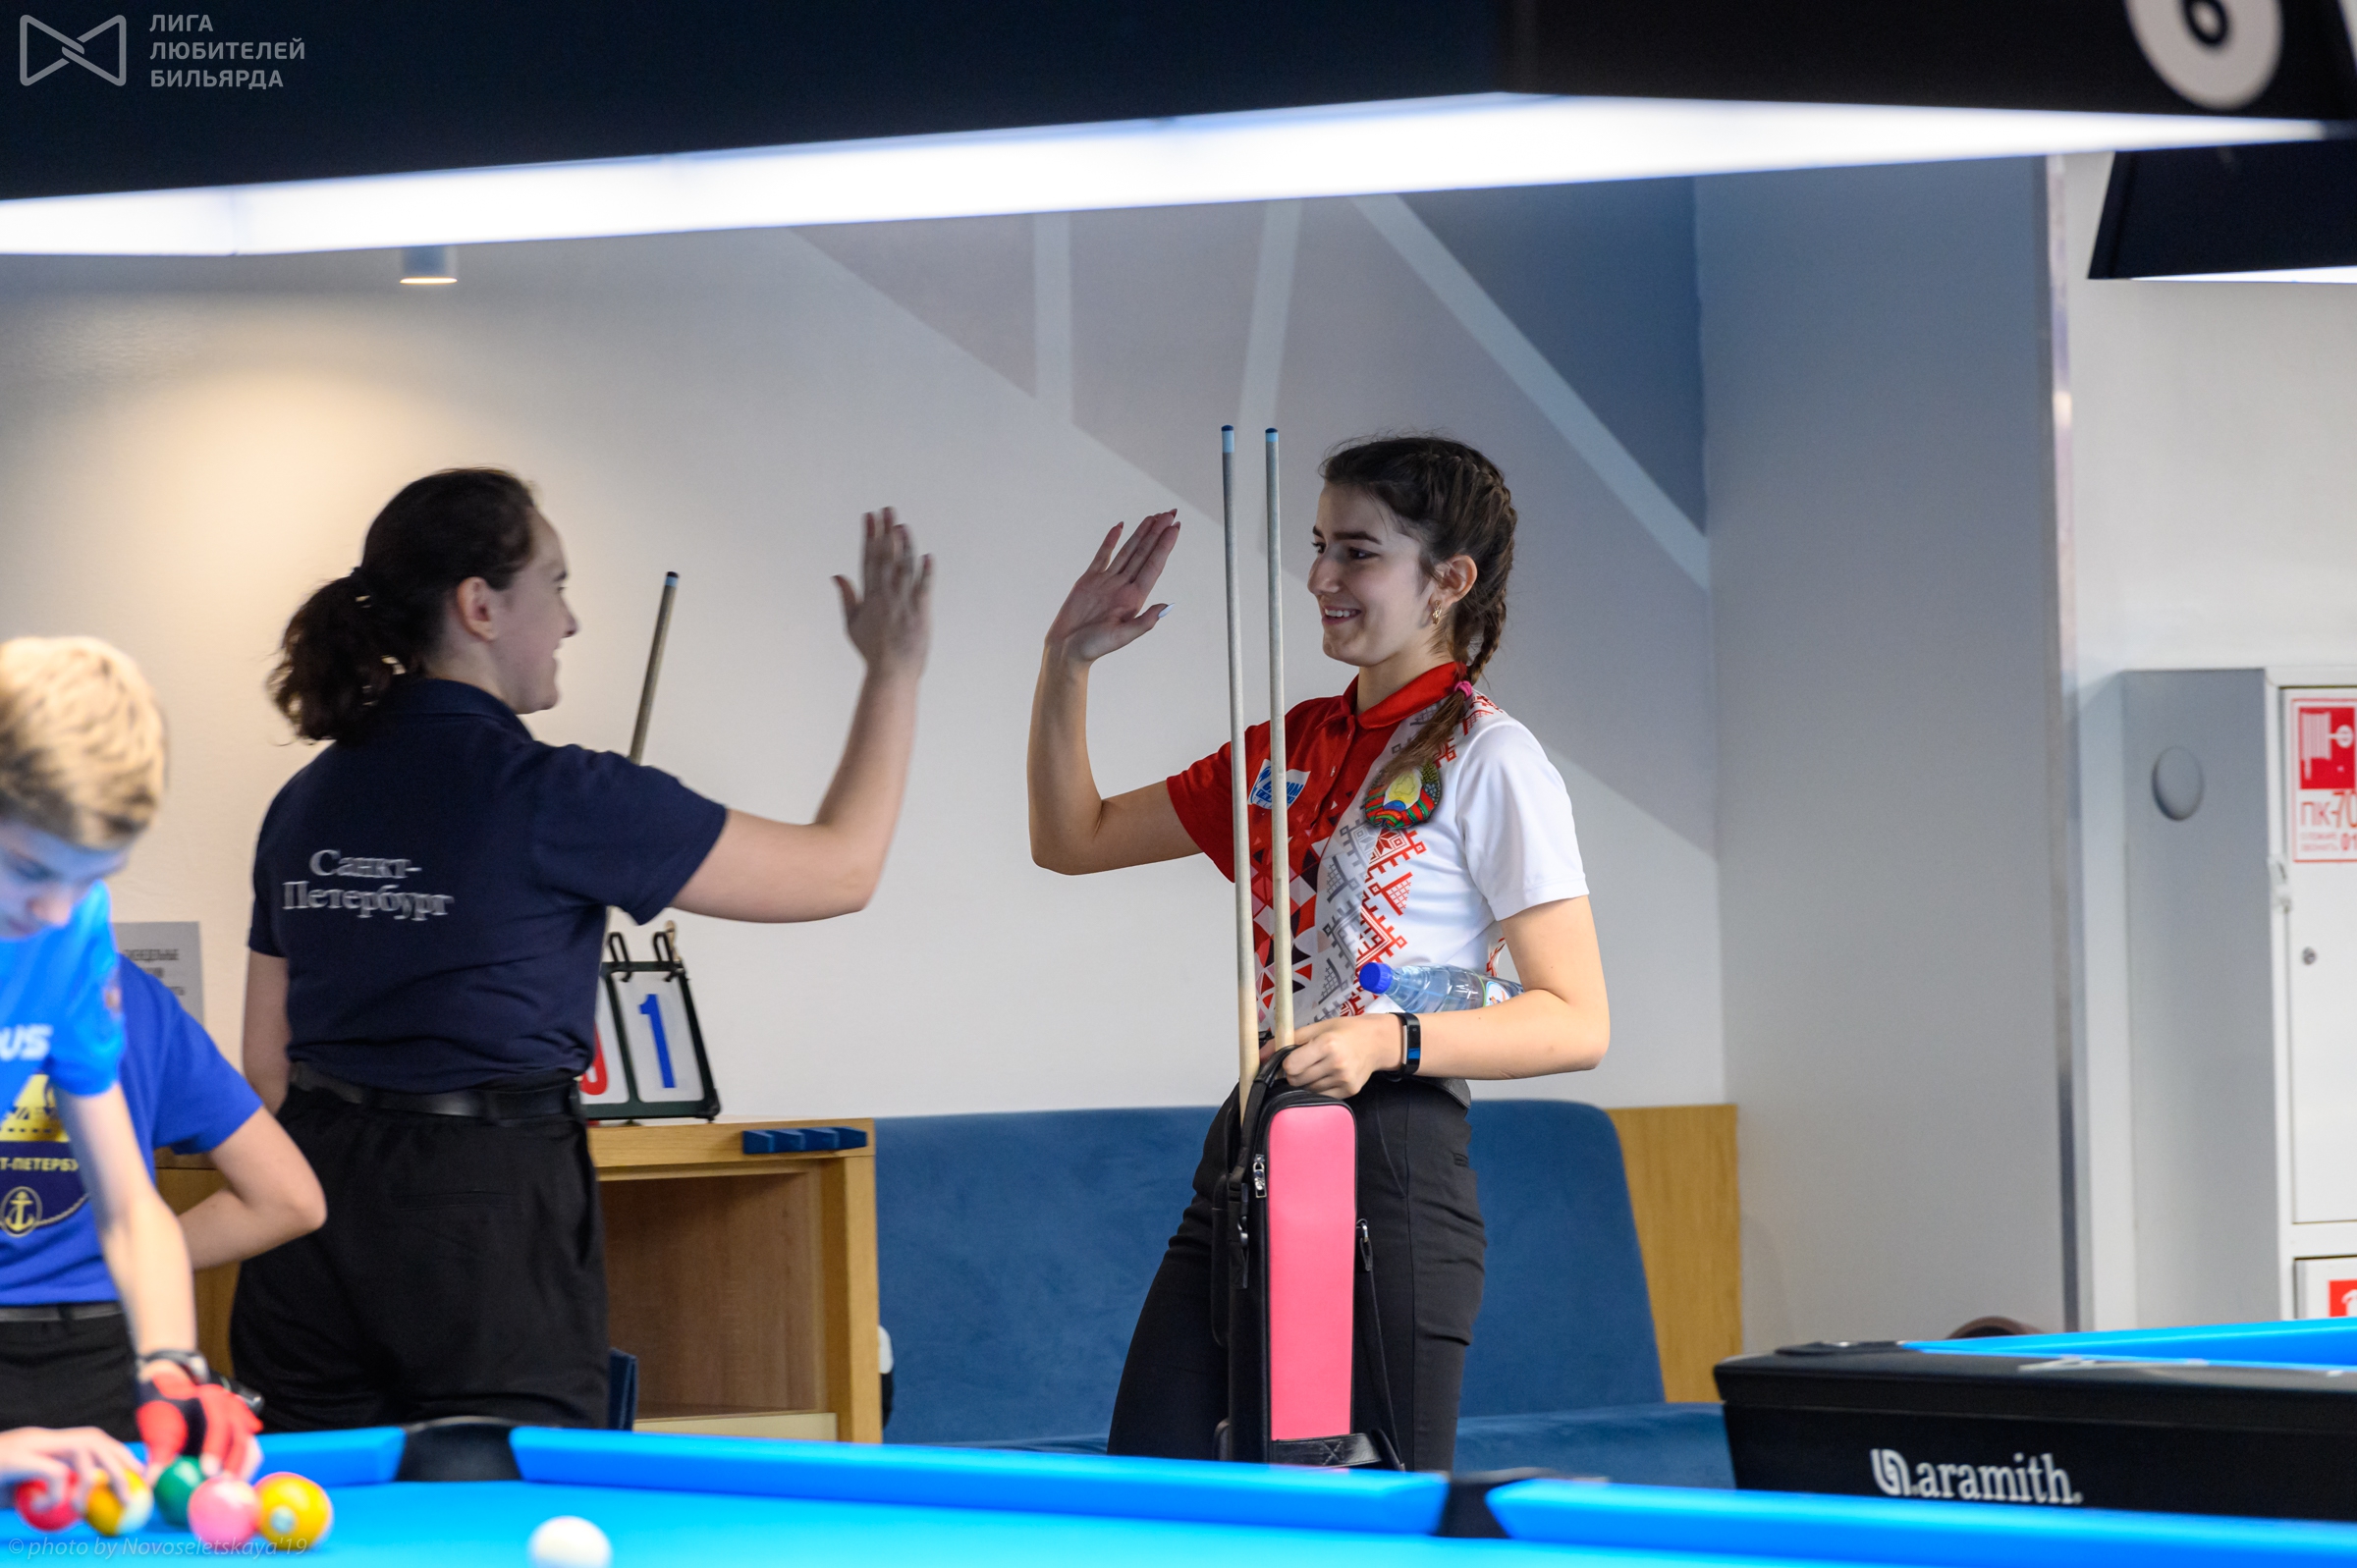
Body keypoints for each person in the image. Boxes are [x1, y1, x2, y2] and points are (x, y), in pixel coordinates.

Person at [235, 468, 931, 1431]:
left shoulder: (306, 798)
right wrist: (894, 672)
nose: (570, 621)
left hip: (308, 1209)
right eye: (555, 585)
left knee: (314, 1499)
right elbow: (841, 870)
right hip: (484, 1206)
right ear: (480, 606)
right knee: (509, 1498)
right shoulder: (555, 792)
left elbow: (264, 1064)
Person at [1027, 435, 1611, 1470]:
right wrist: (1064, 663)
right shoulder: (1287, 744)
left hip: (1393, 1154)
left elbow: (1576, 1019)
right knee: (1154, 1480)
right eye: (1318, 546)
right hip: (1253, 1138)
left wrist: (1385, 1041)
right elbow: (1073, 838)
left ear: (1449, 581)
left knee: (1375, 1512)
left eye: (1358, 552)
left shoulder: (1492, 757)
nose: (1320, 578)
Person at [0, 635, 260, 1478]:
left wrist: (170, 1362)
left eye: (90, 875)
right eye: (29, 867)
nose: (56, 909)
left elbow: (126, 1205)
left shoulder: (71, 928)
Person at [0, 957, 325, 1438]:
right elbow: (287, 1198)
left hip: (118, 1362)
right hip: (105, 1362)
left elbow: (288, 1200)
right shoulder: (125, 992)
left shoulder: (106, 992)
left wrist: (166, 1346)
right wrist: (122, 1267)